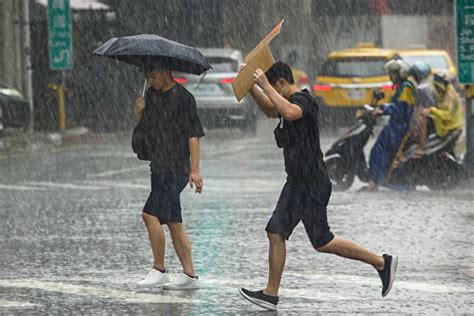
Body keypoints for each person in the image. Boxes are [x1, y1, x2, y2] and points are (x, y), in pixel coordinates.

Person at [238, 62, 398, 311]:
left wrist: (265, 85)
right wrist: (251, 87)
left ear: (281, 82)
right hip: (300, 181)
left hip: (310, 183)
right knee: (285, 234)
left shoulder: (304, 100)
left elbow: (290, 112)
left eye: (274, 86)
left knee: (313, 238)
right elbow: (273, 110)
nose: (273, 92)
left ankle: (381, 262)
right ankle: (271, 293)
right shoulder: (284, 100)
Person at [134, 62, 205, 289]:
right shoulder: (152, 97)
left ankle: (159, 269)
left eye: (153, 75)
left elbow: (193, 135)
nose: (150, 80)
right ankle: (189, 275)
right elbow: (147, 130)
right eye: (148, 77)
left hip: (176, 168)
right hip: (158, 165)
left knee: (149, 215)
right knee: (174, 221)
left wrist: (195, 170)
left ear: (167, 73)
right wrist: (139, 113)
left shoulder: (184, 99)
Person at [363, 59, 415, 191]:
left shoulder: (406, 88)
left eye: (393, 74)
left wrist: (383, 110)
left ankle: (377, 181)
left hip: (399, 127)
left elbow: (401, 109)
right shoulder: (400, 87)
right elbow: (393, 104)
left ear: (400, 74)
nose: (390, 77)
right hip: (394, 124)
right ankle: (375, 180)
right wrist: (380, 108)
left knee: (381, 152)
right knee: (376, 151)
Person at [420, 69, 463, 139]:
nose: (437, 89)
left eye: (438, 87)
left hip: (451, 129)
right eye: (436, 86)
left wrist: (431, 110)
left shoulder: (450, 95)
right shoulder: (440, 92)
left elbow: (448, 115)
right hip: (442, 129)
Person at [408, 61, 436, 158]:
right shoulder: (429, 87)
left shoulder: (422, 89)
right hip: (432, 116)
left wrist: (414, 126)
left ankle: (421, 147)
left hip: (430, 118)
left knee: (420, 120)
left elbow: (419, 109)